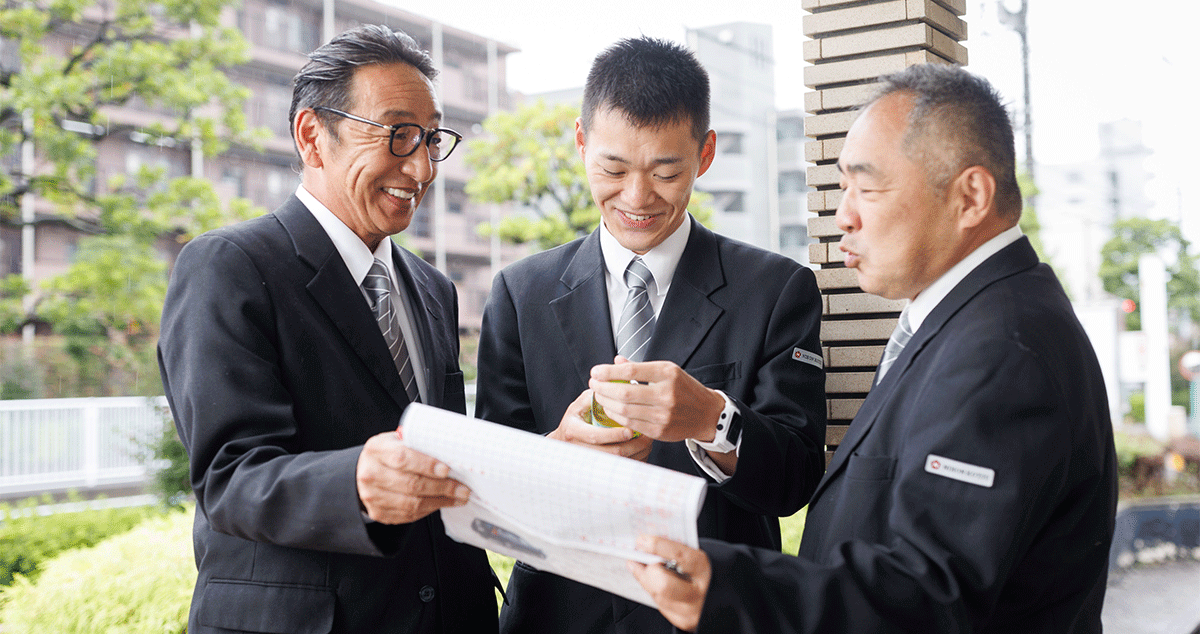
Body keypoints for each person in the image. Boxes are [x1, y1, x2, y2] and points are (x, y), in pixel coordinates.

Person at [630, 63, 1119, 633]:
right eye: (843, 186)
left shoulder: (1003, 351)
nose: (844, 216)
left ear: (970, 197)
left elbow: (930, 596)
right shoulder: (962, 322)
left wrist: (726, 589)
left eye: (868, 187)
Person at [474, 36, 827, 634]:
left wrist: (713, 419)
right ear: (581, 142)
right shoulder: (520, 293)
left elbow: (794, 480)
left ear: (705, 153)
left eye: (666, 172)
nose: (637, 198)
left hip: (711, 617)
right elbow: (489, 487)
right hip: (557, 618)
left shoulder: (775, 290)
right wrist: (558, 450)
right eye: (613, 169)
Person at [157, 25, 498, 634]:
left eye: (430, 139)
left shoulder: (433, 288)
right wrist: (356, 485)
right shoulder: (230, 265)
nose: (420, 167)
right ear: (313, 136)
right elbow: (230, 476)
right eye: (397, 135)